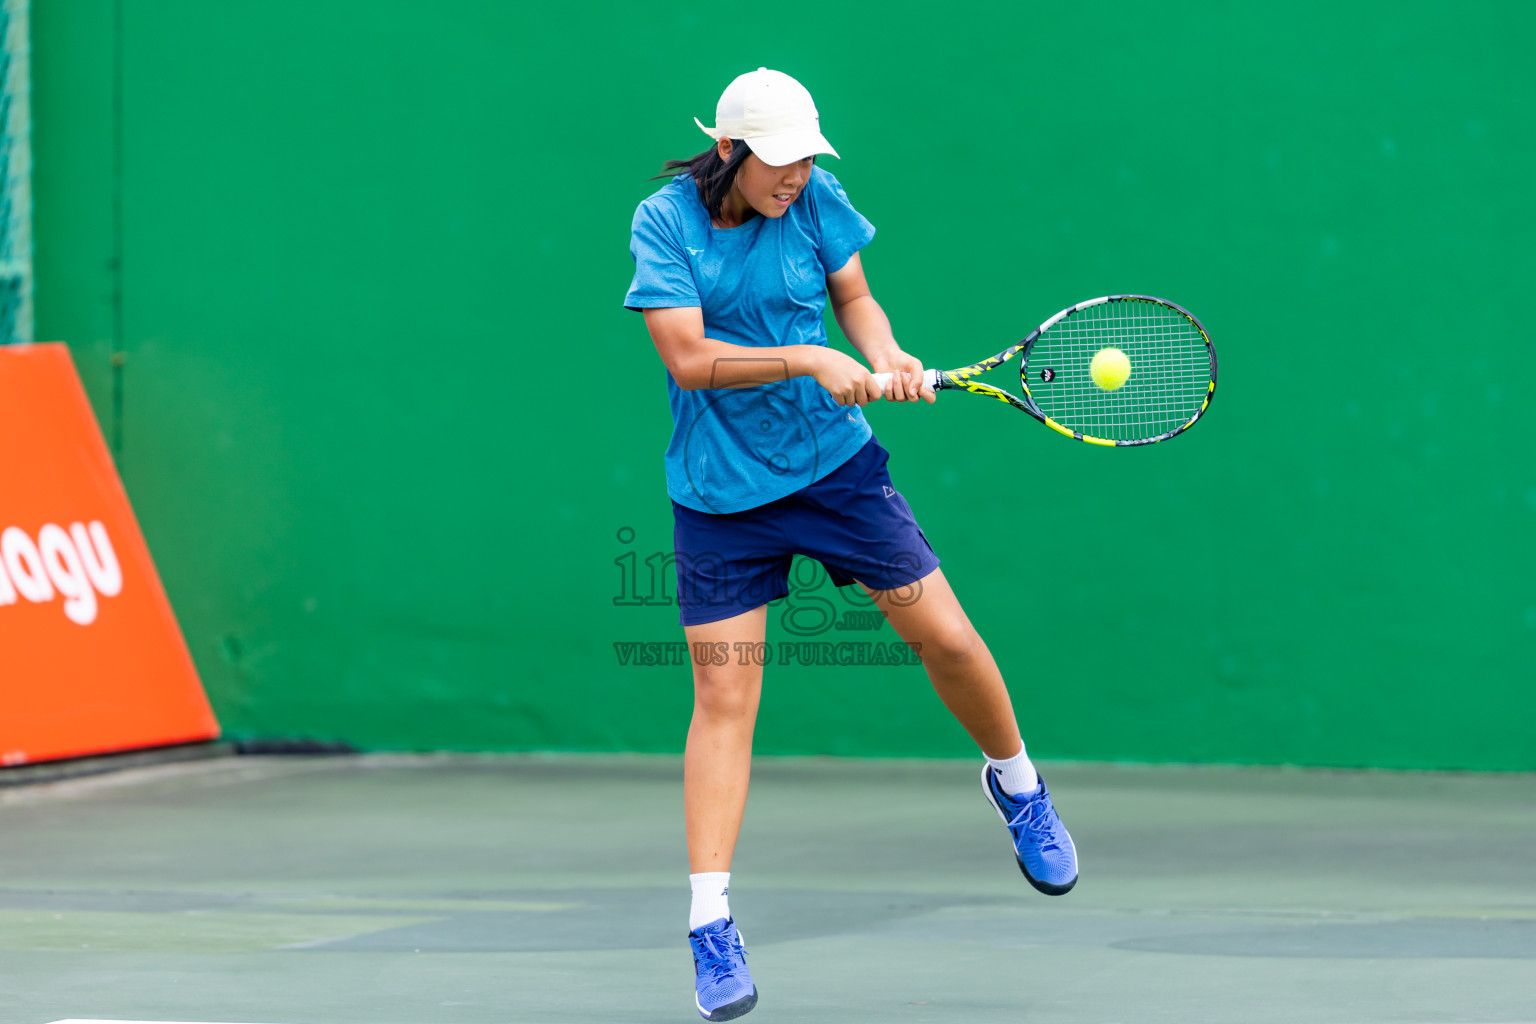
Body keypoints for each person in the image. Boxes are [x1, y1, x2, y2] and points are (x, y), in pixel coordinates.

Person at [624, 68, 1077, 1022]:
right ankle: (711, 927)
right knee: (725, 697)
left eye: (805, 160)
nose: (795, 178)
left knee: (947, 640)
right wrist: (812, 357)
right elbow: (689, 360)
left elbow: (856, 298)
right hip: (719, 494)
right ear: (729, 152)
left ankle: (1019, 786)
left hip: (835, 471)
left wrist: (885, 357)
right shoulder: (664, 223)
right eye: (778, 162)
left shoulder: (816, 197)